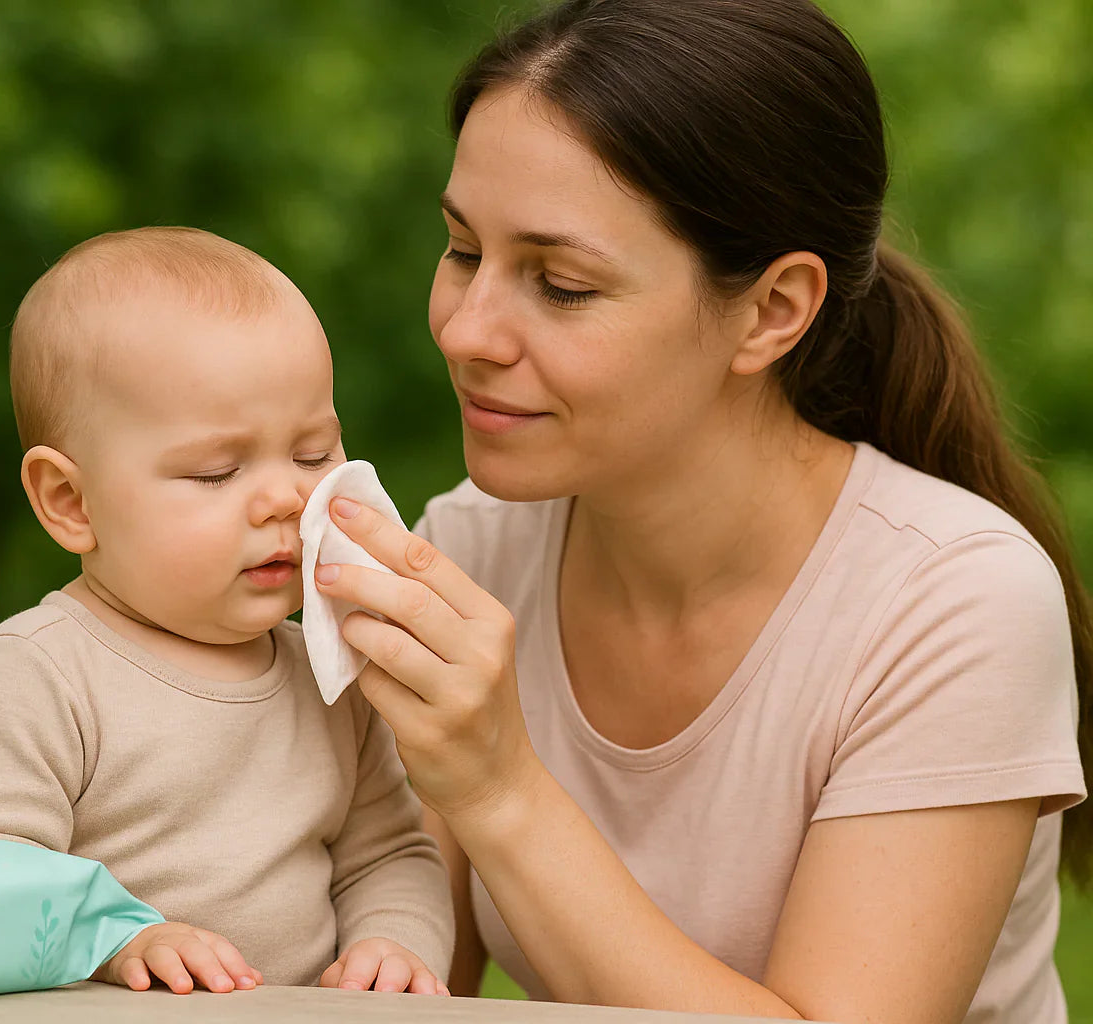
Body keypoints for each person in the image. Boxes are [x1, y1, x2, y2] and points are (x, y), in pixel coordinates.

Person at [310, 2, 1091, 1022]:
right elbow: (409, 985)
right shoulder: (472, 546)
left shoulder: (955, 599)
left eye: (562, 284)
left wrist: (500, 785)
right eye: (462, 250)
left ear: (772, 311)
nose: (465, 329)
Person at [0, 227, 453, 996]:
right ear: (71, 502)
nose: (286, 497)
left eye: (314, 455)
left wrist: (394, 942)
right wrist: (118, 936)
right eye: (217, 471)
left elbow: (389, 856)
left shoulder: (329, 671)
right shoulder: (40, 671)